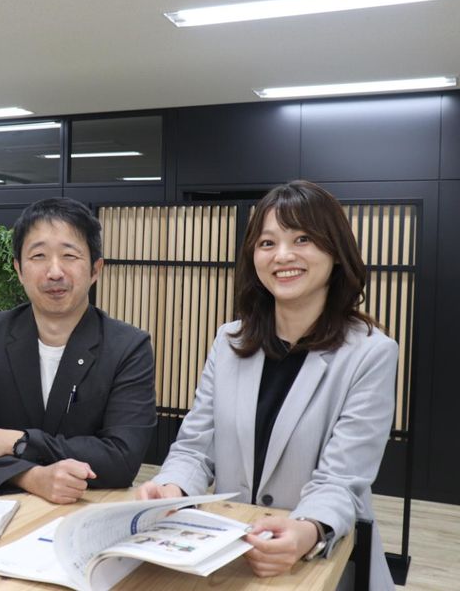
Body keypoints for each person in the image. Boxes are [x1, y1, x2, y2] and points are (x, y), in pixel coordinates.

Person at [136, 181, 397, 590]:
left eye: (303, 239)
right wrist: (173, 487)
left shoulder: (370, 353)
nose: (283, 255)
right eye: (267, 243)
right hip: (228, 553)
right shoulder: (229, 340)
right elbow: (195, 448)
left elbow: (342, 479)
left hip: (316, 561)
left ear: (335, 251)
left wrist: (307, 529)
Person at [0, 197, 157, 503]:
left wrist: (17, 441)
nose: (55, 272)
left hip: (87, 509)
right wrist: (34, 478)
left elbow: (121, 459)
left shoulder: (128, 347)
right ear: (19, 269)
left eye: (69, 255)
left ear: (95, 269)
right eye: (39, 256)